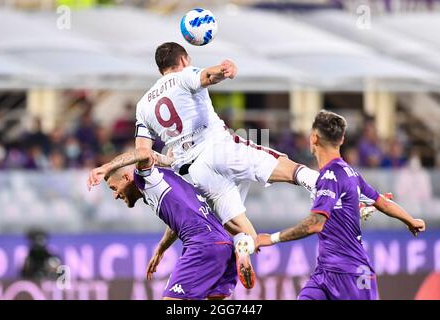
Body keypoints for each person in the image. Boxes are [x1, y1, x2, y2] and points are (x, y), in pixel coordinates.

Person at [87, 42, 321, 289]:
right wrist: (224, 69)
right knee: (282, 165)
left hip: (194, 171)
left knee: (241, 228)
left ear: (159, 69)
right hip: (217, 146)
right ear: (184, 60)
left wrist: (107, 166)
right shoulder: (183, 76)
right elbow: (207, 76)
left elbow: (143, 151)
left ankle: (243, 247)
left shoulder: (143, 106)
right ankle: (329, 188)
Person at [255, 110, 426, 300]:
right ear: (342, 139)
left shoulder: (330, 177)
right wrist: (410, 220)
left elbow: (314, 224)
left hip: (352, 275)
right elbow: (381, 202)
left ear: (313, 139)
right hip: (324, 273)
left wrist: (271, 239)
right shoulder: (350, 173)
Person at [105, 161, 237, 300]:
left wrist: (104, 167)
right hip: (225, 244)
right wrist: (161, 248)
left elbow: (143, 153)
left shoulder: (146, 177)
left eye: (114, 188)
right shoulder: (165, 180)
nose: (115, 195)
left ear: (126, 178)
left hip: (203, 245)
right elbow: (178, 218)